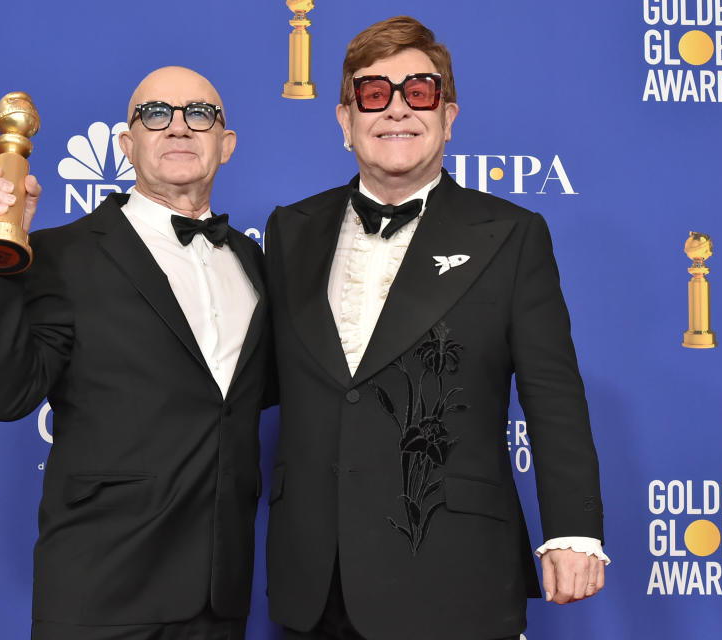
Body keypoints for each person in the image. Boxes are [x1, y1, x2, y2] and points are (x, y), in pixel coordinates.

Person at [264, 16, 608, 640]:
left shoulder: (510, 234)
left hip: (456, 573)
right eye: (373, 93)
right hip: (316, 580)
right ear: (345, 120)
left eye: (418, 91)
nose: (396, 109)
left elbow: (553, 395)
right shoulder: (291, 230)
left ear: (448, 115)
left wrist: (574, 529)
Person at [0, 67, 271, 640]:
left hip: (220, 600)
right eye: (156, 114)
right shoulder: (62, 254)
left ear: (225, 145)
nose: (178, 127)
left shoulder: (256, 266)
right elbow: (7, 395)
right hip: (101, 593)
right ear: (127, 143)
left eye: (199, 114)